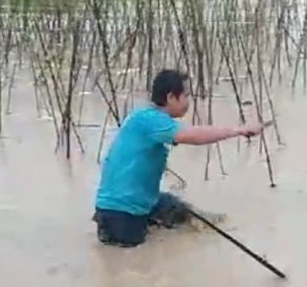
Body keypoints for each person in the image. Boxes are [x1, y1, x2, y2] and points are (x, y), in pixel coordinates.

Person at [93, 69, 264, 248]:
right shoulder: (151, 120)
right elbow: (194, 135)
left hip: (136, 204)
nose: (189, 101)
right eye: (186, 95)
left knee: (186, 213)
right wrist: (238, 130)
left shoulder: (146, 117)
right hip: (122, 214)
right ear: (170, 97)